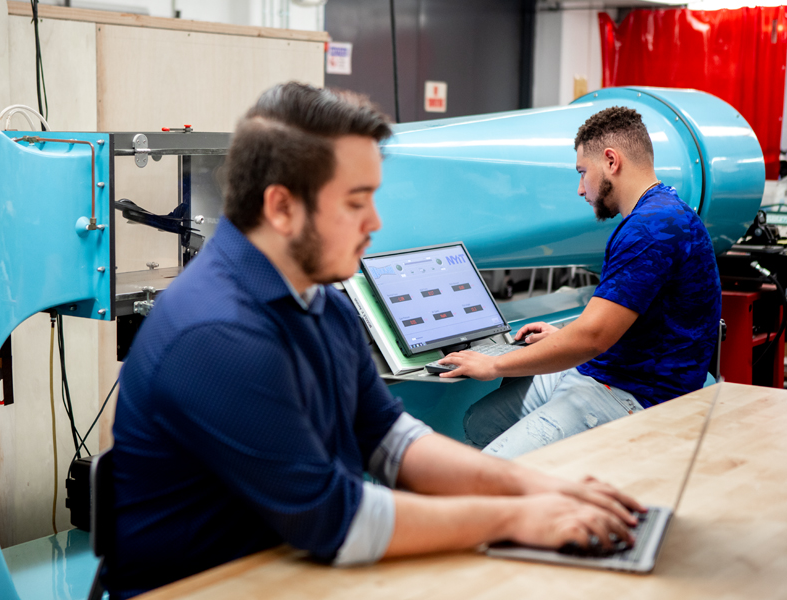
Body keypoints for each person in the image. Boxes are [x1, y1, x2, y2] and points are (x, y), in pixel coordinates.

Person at [108, 84, 642, 599]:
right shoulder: (215, 334)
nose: (375, 222)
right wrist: (518, 515)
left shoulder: (321, 303)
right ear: (282, 207)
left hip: (296, 571)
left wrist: (537, 487)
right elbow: (339, 521)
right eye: (356, 202)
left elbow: (389, 437)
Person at [441, 106, 721, 459]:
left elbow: (592, 337)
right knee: (480, 422)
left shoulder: (650, 229)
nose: (579, 188)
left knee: (489, 469)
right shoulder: (664, 209)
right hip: (615, 368)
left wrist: (493, 364)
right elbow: (624, 320)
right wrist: (562, 339)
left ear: (610, 161)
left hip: (634, 393)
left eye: (582, 172)